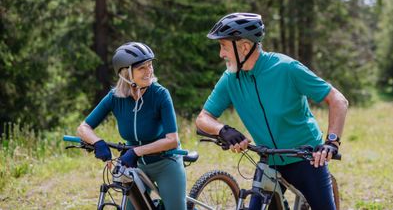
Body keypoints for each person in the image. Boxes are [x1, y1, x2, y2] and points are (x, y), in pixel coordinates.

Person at [195, 13, 348, 210]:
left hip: (306, 159)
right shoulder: (230, 79)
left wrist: (332, 142)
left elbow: (338, 100)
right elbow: (203, 118)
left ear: (244, 46)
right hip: (268, 161)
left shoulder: (286, 68)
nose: (220, 54)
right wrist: (222, 129)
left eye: (223, 46)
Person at [77, 42, 186, 210]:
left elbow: (172, 140)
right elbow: (83, 127)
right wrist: (97, 142)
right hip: (133, 166)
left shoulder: (160, 95)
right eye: (142, 68)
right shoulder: (115, 97)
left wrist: (135, 151)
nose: (149, 71)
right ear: (126, 73)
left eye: (150, 65)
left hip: (165, 163)